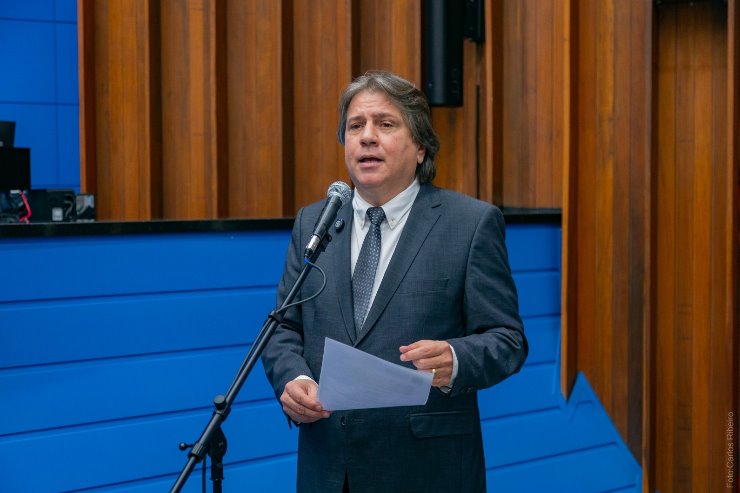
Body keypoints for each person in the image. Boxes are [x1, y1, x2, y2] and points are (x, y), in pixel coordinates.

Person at [261, 71, 527, 492]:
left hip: (426, 471)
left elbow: (507, 340)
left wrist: (455, 359)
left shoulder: (471, 224)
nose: (367, 137)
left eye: (385, 124)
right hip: (329, 469)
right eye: (356, 126)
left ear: (420, 147)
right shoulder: (314, 222)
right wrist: (294, 379)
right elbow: (283, 328)